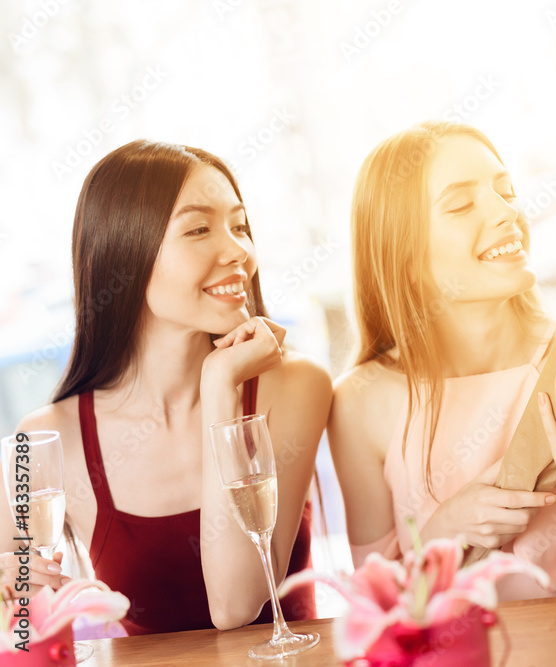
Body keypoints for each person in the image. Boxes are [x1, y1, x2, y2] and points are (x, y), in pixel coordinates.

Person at [0, 140, 331, 634]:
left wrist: (221, 384)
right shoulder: (42, 443)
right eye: (199, 229)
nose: (239, 250)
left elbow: (235, 607)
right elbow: (22, 633)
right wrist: (13, 599)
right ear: (123, 255)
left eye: (240, 226)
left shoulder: (296, 385)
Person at [328, 121, 556, 599]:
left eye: (506, 191)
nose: (507, 212)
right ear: (401, 251)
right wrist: (444, 531)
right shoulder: (360, 401)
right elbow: (380, 605)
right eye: (462, 204)